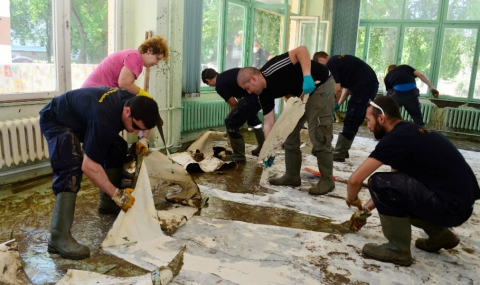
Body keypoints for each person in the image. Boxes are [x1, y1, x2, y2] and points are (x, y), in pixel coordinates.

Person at [345, 95, 480, 266]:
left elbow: (355, 181)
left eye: (369, 120)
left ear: (381, 118)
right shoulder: (408, 131)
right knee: (393, 188)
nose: (369, 126)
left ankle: (397, 250)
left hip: (450, 207)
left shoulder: (396, 138)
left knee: (378, 181)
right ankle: (441, 235)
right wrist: (364, 211)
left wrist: (352, 200)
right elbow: (396, 186)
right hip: (459, 206)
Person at [39, 87, 160, 260]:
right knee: (71, 166)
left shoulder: (135, 102)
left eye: (139, 129)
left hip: (82, 119)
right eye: (135, 127)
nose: (134, 131)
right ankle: (58, 237)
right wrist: (119, 195)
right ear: (127, 111)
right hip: (57, 120)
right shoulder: (104, 118)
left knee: (118, 146)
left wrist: (143, 138)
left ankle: (106, 203)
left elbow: (143, 125)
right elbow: (89, 166)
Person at [237, 46, 336, 195]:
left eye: (248, 88)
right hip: (301, 94)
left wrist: (307, 76)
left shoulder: (272, 68)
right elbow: (269, 123)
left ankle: (327, 181)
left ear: (253, 78)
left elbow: (301, 50)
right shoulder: (263, 94)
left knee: (319, 133)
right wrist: (268, 150)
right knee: (289, 131)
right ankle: (292, 176)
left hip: (319, 84)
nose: (249, 92)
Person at [82, 35, 169, 147]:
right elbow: (124, 83)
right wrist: (143, 94)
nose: (157, 63)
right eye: (157, 58)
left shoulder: (133, 56)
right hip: (93, 97)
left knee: (140, 108)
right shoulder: (135, 57)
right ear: (150, 50)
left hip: (96, 95)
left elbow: (124, 85)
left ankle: (143, 140)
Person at [315, 52, 379, 162]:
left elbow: (337, 89)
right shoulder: (341, 63)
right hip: (370, 85)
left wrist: (332, 104)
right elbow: (346, 89)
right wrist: (338, 104)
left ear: (320, 60)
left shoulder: (330, 63)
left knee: (352, 117)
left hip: (364, 86)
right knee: (356, 117)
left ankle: (339, 152)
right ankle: (343, 150)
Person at [201, 68, 264, 161]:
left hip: (252, 96)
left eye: (207, 84)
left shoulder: (219, 85)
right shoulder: (226, 76)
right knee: (253, 119)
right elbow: (240, 96)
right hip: (260, 94)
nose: (209, 85)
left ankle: (239, 155)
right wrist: (242, 112)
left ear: (208, 80)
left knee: (230, 122)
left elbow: (233, 104)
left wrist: (233, 123)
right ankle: (262, 148)